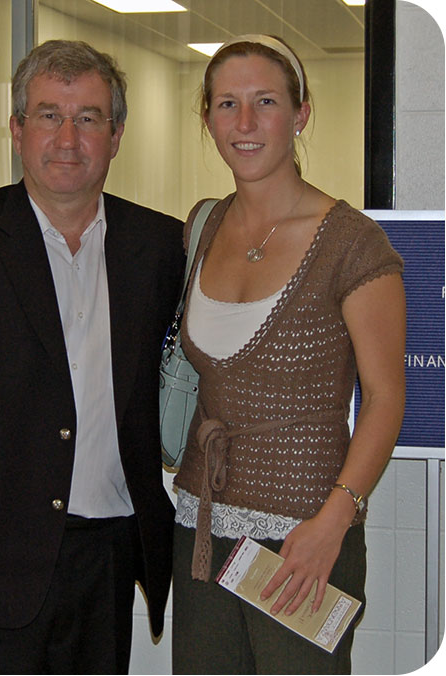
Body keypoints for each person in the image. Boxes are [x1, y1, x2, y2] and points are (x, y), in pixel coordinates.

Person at [0, 39, 184, 674]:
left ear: (117, 135)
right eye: (50, 115)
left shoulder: (162, 245)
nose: (68, 138)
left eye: (89, 118)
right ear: (17, 129)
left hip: (107, 557)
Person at [171, 35, 405, 674]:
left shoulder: (353, 243)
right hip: (199, 522)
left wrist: (336, 520)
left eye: (265, 102)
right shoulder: (204, 226)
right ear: (208, 119)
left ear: (300, 115)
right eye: (226, 105)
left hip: (304, 535)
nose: (244, 125)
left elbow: (386, 397)